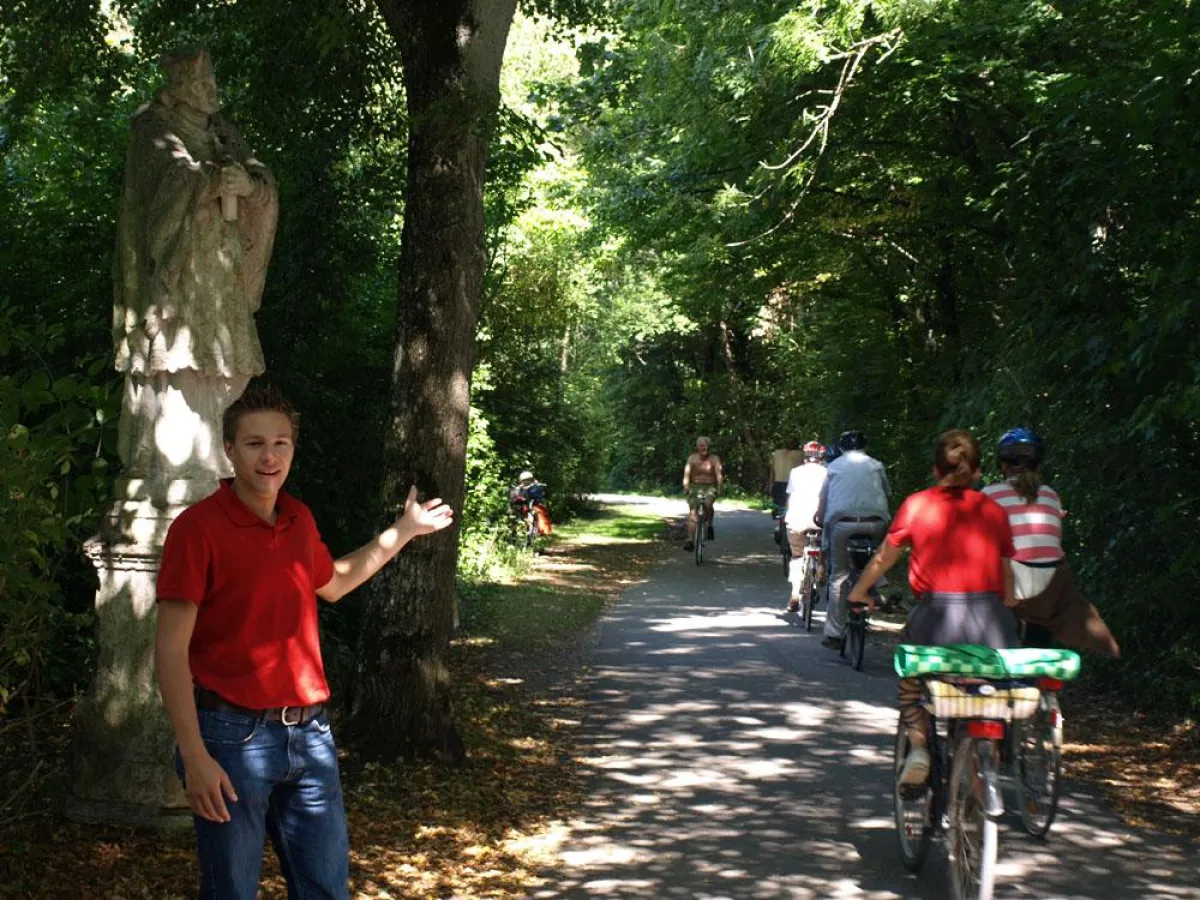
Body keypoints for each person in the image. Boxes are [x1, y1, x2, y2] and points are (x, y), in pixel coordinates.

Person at [153, 384, 454, 898]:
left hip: (310, 736)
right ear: (229, 448)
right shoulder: (197, 529)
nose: (269, 457)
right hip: (230, 739)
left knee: (326, 889)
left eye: (281, 443)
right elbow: (169, 650)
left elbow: (334, 581)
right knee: (232, 891)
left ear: (293, 447)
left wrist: (403, 530)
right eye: (254, 444)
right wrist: (194, 754)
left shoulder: (298, 519)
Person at [114, 46, 279, 507]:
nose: (212, 92)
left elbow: (259, 176)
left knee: (232, 368)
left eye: (212, 83)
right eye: (202, 85)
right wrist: (212, 181)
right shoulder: (153, 129)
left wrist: (251, 187)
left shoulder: (225, 133)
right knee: (181, 365)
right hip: (179, 273)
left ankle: (210, 461)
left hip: (221, 269)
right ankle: (176, 467)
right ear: (180, 92)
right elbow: (165, 183)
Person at [847, 429, 1019, 784]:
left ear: (936, 470)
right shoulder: (994, 510)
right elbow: (1007, 574)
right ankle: (982, 768)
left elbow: (883, 559)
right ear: (977, 472)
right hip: (992, 623)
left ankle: (920, 747)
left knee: (912, 684)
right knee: (985, 693)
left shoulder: (918, 505)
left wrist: (859, 592)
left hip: (935, 619)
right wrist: (1011, 604)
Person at [982, 428, 1120, 656]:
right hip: (1050, 583)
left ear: (1003, 465)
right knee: (1044, 618)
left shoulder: (990, 494)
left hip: (1012, 581)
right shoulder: (1051, 495)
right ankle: (1042, 679)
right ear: (1038, 464)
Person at [815, 430, 890, 649]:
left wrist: (820, 518)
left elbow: (824, 498)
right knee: (877, 558)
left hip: (842, 523)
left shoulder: (834, 466)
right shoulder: (876, 465)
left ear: (842, 447)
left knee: (839, 575)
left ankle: (834, 633)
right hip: (876, 522)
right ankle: (876, 586)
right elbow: (887, 493)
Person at [784, 441, 827, 612]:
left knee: (797, 556)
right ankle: (821, 570)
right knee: (824, 550)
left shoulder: (795, 472)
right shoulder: (828, 473)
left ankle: (795, 593)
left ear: (805, 456)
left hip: (797, 520)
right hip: (820, 521)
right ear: (821, 457)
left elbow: (790, 496)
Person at [682, 436, 723, 552]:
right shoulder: (692, 458)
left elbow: (718, 474)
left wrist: (719, 487)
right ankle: (690, 540)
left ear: (709, 447)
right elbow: (686, 474)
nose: (703, 447)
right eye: (701, 445)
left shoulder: (714, 459)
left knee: (708, 504)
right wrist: (686, 487)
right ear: (697, 447)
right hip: (695, 486)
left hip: (710, 486)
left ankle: (709, 526)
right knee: (693, 511)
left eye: (705, 445)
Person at [509, 470, 551, 538]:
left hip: (533, 505)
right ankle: (513, 534)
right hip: (522, 506)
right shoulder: (518, 488)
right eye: (524, 480)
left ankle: (541, 531)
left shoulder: (537, 486)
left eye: (528, 480)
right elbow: (513, 498)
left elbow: (544, 494)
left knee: (540, 512)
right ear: (521, 480)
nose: (526, 481)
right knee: (512, 515)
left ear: (531, 479)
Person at [770, 438, 803, 514]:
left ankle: (781, 521)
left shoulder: (777, 453)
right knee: (789, 507)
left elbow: (772, 470)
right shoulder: (800, 454)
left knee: (780, 507)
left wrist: (771, 484)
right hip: (791, 484)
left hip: (780, 483)